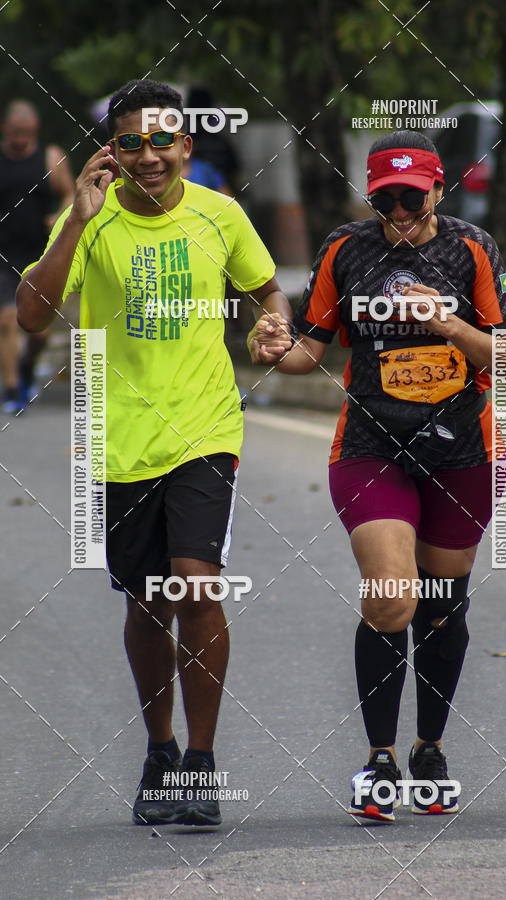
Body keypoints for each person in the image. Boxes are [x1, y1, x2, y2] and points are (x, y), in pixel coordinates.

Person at [17, 79, 290, 827]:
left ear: (185, 146)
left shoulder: (220, 214)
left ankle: (200, 763)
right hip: (116, 439)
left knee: (196, 587)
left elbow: (269, 290)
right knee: (147, 603)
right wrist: (77, 220)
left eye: (162, 141)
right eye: (131, 143)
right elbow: (33, 316)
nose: (148, 156)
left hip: (206, 429)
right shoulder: (91, 220)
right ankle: (159, 750)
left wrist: (272, 325)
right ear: (112, 150)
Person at [248, 131, 506, 822]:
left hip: (462, 447)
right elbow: (310, 349)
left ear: (438, 190)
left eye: (411, 198)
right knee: (393, 596)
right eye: (384, 199)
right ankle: (380, 760)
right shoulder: (346, 248)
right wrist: (274, 348)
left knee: (442, 604)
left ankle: (430, 748)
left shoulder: (473, 249)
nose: (398, 212)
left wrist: (447, 325)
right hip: (372, 445)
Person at [0, 100, 75, 413]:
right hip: (4, 254)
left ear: (35, 130)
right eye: (15, 133)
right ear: (5, 128)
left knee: (39, 332)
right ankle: (12, 390)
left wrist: (58, 215)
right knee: (7, 320)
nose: (20, 139)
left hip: (39, 255)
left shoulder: (51, 157)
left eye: (26, 133)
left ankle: (27, 368)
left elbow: (70, 193)